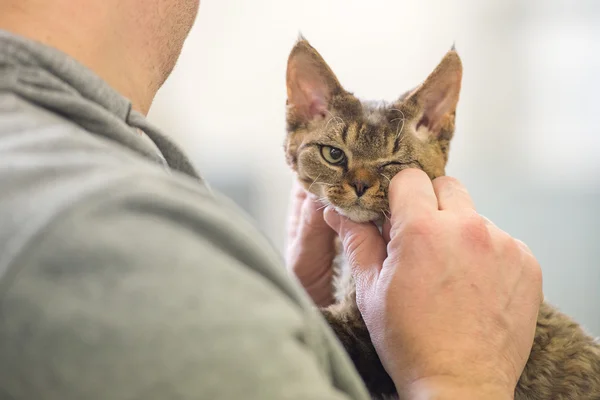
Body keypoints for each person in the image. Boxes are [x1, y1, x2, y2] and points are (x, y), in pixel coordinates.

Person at [0, 1, 543, 399]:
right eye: (337, 158)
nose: (357, 182)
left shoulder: (63, 161)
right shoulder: (91, 231)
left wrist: (292, 314)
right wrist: (461, 377)